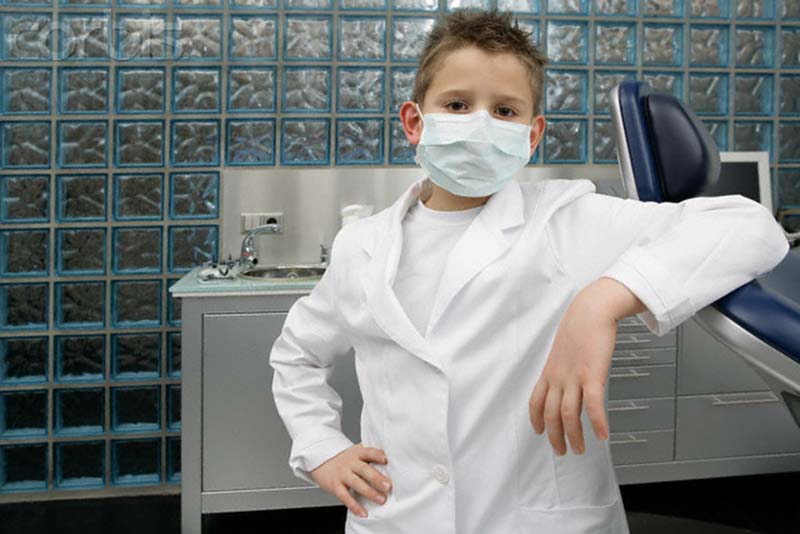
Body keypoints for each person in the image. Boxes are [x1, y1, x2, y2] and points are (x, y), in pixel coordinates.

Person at [269, 9, 791, 534]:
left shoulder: (565, 219)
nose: (480, 123)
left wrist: (602, 300)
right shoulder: (361, 246)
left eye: (504, 110)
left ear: (532, 134)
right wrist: (322, 449)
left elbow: (750, 227)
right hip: (397, 516)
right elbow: (298, 356)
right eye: (457, 104)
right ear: (414, 122)